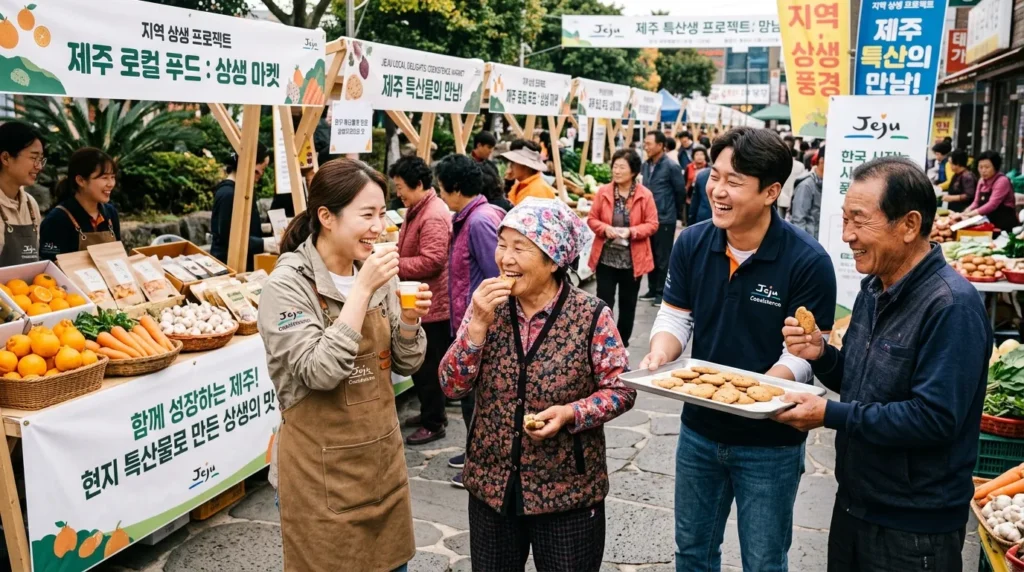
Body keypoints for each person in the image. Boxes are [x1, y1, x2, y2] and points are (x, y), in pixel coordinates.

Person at [777, 157, 990, 572]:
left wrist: (828, 414)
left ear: (909, 225)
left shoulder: (952, 306)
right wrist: (821, 355)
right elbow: (862, 383)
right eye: (845, 220)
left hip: (913, 530)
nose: (847, 235)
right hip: (855, 506)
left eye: (859, 220)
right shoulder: (873, 289)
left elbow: (934, 419)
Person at [639, 127, 837, 572]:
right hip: (699, 431)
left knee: (764, 562)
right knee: (692, 552)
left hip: (771, 443)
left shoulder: (808, 262)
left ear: (771, 192)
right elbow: (675, 317)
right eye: (715, 176)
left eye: (734, 181)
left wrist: (758, 395)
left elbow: (804, 354)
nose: (718, 190)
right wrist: (660, 354)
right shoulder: (692, 242)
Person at [438, 198, 636, 572]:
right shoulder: (488, 306)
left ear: (554, 260)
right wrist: (477, 326)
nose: (505, 258)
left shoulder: (591, 315)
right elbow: (452, 386)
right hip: (492, 486)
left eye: (520, 248)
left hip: (567, 493)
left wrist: (571, 413)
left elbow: (621, 390)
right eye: (502, 244)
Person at [259, 159, 431, 572]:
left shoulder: (376, 273)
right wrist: (362, 290)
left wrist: (409, 322)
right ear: (326, 217)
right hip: (319, 478)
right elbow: (319, 372)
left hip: (381, 466)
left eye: (382, 213)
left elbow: (407, 363)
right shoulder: (287, 286)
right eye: (367, 215)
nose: (379, 227)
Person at [435, 154, 505, 488]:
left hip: (481, 324)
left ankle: (481, 465)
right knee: (471, 399)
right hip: (469, 320)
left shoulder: (479, 221)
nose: (439, 194)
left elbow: (498, 274)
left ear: (455, 188)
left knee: (476, 401)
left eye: (441, 188)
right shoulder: (470, 217)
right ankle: (474, 454)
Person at [389, 156, 453, 446]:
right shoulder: (418, 208)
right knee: (422, 365)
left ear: (417, 184)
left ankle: (434, 422)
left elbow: (433, 260)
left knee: (428, 366)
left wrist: (395, 264)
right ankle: (431, 413)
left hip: (432, 303)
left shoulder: (433, 214)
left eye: (400, 187)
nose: (398, 193)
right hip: (421, 299)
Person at [587, 149, 659, 348]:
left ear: (633, 171)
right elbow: (592, 219)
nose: (616, 171)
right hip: (606, 259)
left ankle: (622, 344)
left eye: (621, 167)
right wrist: (605, 228)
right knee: (603, 303)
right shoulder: (603, 192)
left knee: (628, 304)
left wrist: (631, 232)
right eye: (615, 166)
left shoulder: (645, 195)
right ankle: (603, 343)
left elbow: (652, 224)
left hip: (632, 262)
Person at [40, 148, 121, 260]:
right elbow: (50, 265)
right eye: (104, 178)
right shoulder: (56, 220)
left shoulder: (110, 213)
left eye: (112, 177)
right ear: (80, 180)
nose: (111, 184)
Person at [638, 130, 687, 306]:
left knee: (663, 258)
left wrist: (672, 211)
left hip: (665, 218)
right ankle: (652, 289)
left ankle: (662, 292)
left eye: (649, 143)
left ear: (660, 145)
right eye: (645, 143)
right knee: (650, 256)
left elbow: (680, 192)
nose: (646, 147)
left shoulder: (671, 166)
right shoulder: (645, 165)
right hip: (647, 219)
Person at [210, 144, 273, 271]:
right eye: (261, 169)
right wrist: (267, 244)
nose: (261, 174)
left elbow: (244, 225)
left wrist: (267, 228)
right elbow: (229, 237)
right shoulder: (228, 194)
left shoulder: (242, 190)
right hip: (228, 266)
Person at [0, 121, 44, 266]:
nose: (39, 166)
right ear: (6, 158)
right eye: (33, 158)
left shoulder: (31, 204)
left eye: (40, 159)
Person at [962, 150, 1015, 232]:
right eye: (980, 167)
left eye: (987, 167)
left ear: (995, 167)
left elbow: (992, 204)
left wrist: (970, 214)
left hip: (1003, 224)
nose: (983, 170)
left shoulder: (1002, 181)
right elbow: (976, 202)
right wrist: (966, 211)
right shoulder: (981, 181)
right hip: (988, 222)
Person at [791, 144, 826, 238]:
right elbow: (798, 219)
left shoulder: (828, 184)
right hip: (810, 239)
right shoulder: (806, 185)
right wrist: (804, 243)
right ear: (821, 160)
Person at [778, 148, 808, 220]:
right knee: (794, 220)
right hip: (795, 197)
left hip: (782, 197)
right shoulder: (800, 165)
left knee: (780, 219)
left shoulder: (780, 164)